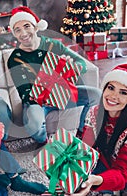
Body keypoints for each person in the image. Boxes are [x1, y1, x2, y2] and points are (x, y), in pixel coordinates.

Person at [65, 63, 127, 196]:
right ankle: (108, 193)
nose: (113, 96)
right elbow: (85, 149)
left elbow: (122, 172)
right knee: (71, 183)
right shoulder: (94, 113)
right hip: (105, 165)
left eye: (123, 92)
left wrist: (94, 181)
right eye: (111, 88)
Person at [7, 6, 101, 143]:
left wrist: (72, 67)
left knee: (96, 95)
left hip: (61, 93)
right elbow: (25, 94)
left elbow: (82, 63)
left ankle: (81, 134)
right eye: (18, 30)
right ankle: (44, 142)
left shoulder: (53, 45)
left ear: (35, 27)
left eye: (27, 26)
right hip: (37, 101)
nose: (23, 33)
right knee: (33, 123)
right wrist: (46, 87)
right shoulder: (15, 59)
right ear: (14, 34)